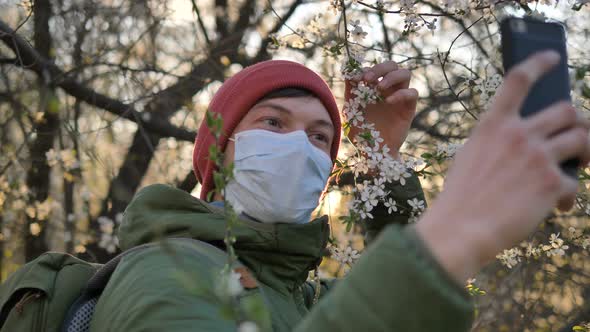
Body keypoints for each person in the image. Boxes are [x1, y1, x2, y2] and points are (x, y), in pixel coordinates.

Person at [89, 51, 590, 331]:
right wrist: (454, 231)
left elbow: (407, 316)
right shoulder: (163, 270)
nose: (296, 147)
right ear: (219, 153)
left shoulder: (309, 298)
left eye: (318, 137)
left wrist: (379, 159)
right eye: (272, 122)